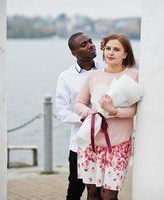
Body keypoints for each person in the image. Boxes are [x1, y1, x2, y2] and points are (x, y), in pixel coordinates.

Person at [74, 33, 138, 200]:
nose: (111, 52)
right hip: (91, 143)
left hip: (118, 145)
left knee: (109, 195)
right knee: (93, 193)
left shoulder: (133, 76)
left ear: (125, 54)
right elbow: (78, 103)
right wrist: (91, 112)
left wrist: (112, 110)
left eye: (116, 49)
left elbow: (132, 111)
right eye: (108, 48)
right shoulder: (93, 75)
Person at [55, 32, 103, 200]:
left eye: (90, 41)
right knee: (75, 190)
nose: (90, 45)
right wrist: (83, 118)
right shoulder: (66, 76)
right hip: (80, 143)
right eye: (83, 44)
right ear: (74, 53)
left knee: (102, 191)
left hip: (105, 142)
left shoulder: (106, 68)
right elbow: (60, 111)